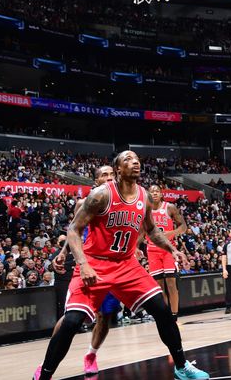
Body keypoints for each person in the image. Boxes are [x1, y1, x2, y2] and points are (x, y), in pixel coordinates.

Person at [34, 151, 208, 380]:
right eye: (127, 159)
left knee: (162, 310)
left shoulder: (143, 196)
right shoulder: (101, 195)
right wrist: (83, 263)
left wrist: (172, 248)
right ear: (117, 170)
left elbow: (152, 230)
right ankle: (44, 375)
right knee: (72, 322)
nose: (135, 162)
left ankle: (181, 366)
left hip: (126, 264)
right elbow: (73, 230)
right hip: (95, 263)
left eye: (136, 158)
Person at [52, 165, 120, 376]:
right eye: (103, 175)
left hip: (115, 265)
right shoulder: (85, 202)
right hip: (88, 262)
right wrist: (63, 252)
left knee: (105, 316)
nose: (109, 178)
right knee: (71, 316)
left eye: (111, 174)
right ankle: (50, 356)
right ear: (96, 182)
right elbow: (75, 228)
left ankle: (91, 354)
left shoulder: (125, 200)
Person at [146, 185, 188, 320]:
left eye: (157, 191)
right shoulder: (146, 210)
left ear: (161, 194)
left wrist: (171, 233)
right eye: (151, 191)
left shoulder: (169, 207)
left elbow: (183, 226)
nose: (154, 193)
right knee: (159, 287)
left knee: (171, 283)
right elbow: (141, 230)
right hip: (152, 250)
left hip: (168, 249)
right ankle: (165, 316)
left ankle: (174, 315)